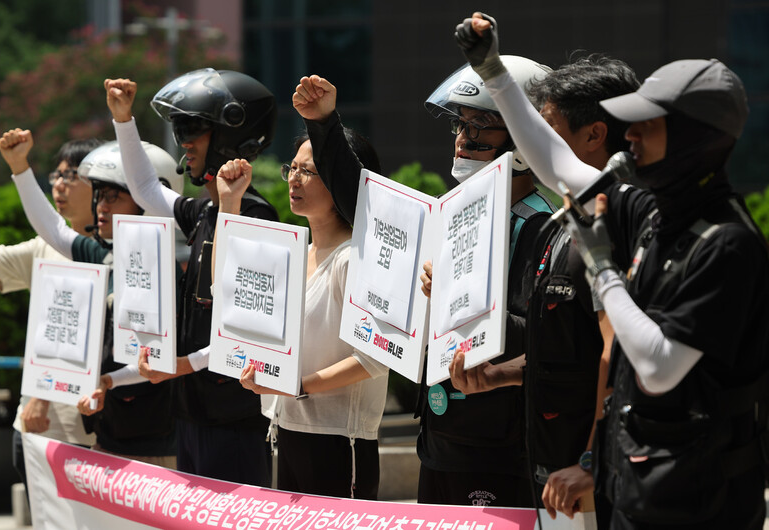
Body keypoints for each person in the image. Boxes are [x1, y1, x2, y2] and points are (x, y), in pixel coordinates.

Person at [456, 11, 769, 529]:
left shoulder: (727, 243)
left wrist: (603, 269)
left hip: (704, 499)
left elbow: (659, 365)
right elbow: (557, 163)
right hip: (640, 485)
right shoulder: (652, 210)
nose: (633, 136)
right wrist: (493, 74)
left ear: (696, 138)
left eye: (649, 124)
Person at [293, 60, 555, 507]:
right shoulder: (450, 212)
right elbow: (366, 206)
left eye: (480, 128)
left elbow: (550, 337)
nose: (462, 139)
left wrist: (459, 294)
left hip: (499, 447)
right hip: (440, 439)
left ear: (524, 139)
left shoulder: (541, 228)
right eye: (460, 125)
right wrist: (323, 124)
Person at [447, 54, 639, 522]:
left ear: (594, 135)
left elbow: (616, 356)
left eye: (543, 130)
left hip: (589, 478)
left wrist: (593, 460)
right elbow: (565, 350)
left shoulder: (617, 224)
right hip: (552, 470)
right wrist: (500, 375)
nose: (527, 145)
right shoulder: (568, 222)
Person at [105, 70, 279, 485]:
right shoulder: (205, 212)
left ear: (231, 137)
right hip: (193, 411)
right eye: (180, 126)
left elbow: (250, 328)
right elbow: (146, 189)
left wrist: (185, 365)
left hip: (233, 416)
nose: (183, 139)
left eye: (194, 127)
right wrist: (123, 119)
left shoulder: (258, 216)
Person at [222, 131, 388, 499]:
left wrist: (297, 385)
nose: (294, 179)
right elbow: (227, 291)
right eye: (292, 168)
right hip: (288, 432)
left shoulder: (355, 259)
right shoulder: (296, 253)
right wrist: (228, 204)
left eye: (308, 171)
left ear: (341, 179)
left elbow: (376, 359)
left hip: (340, 441)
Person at [1, 130, 182, 468]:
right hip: (109, 434)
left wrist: (109, 381)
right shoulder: (103, 254)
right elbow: (52, 229)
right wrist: (20, 169)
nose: (101, 207)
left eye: (114, 196)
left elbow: (159, 358)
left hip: (158, 444)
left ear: (149, 200)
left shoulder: (165, 269)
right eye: (99, 196)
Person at [0, 137, 100, 496]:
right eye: (56, 175)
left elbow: (84, 331)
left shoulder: (118, 250)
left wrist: (43, 396)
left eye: (72, 175)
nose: (59, 184)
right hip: (33, 423)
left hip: (91, 432)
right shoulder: (45, 245)